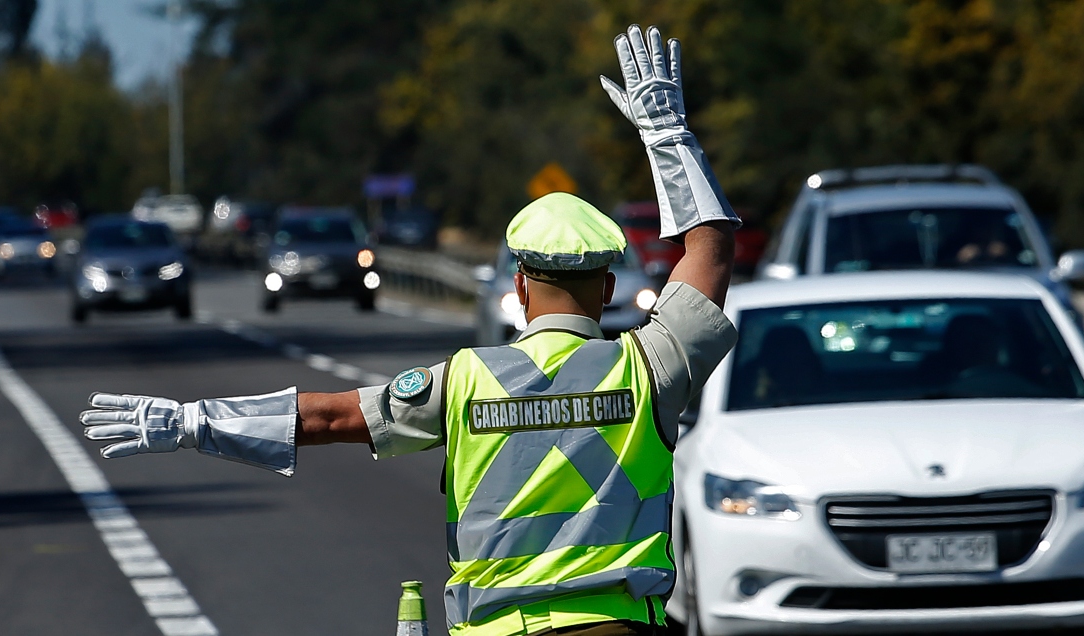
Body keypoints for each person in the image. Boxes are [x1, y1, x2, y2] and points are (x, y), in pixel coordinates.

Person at [81, 24, 740, 636]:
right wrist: (667, 135)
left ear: (517, 285)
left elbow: (326, 419)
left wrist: (192, 422)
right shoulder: (653, 367)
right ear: (606, 288)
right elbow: (708, 248)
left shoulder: (463, 383)